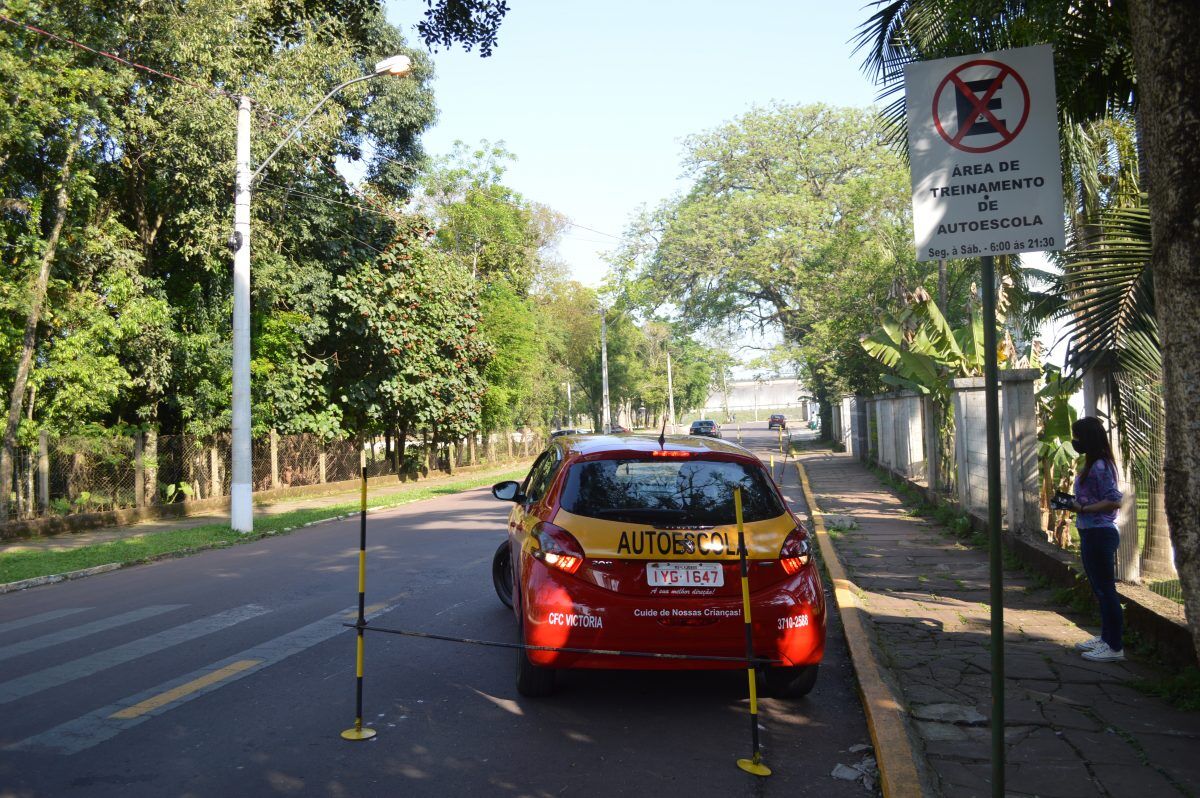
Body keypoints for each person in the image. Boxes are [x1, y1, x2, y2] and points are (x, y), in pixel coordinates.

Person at [1068, 416, 1125, 662]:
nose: (1075, 441)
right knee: (1100, 590)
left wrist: (1083, 509)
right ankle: (1105, 638)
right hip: (1090, 531)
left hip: (1100, 532)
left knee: (1106, 590)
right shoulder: (1094, 463)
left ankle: (1114, 647)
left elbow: (1114, 499)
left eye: (1078, 436)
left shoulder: (1101, 466)